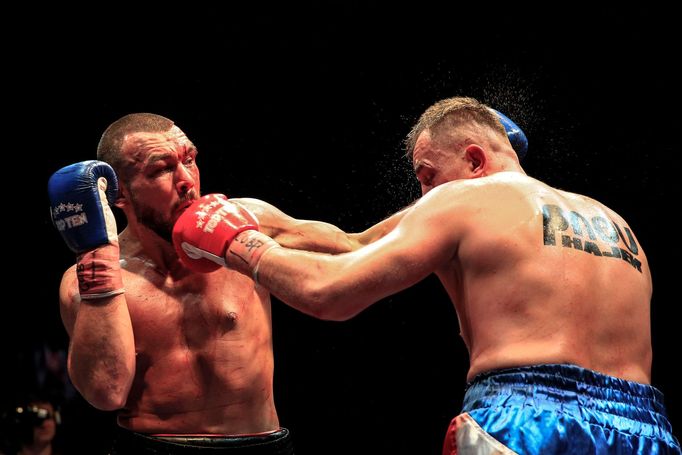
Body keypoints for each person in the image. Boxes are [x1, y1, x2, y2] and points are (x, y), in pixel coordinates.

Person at [173, 97, 681, 454]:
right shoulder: (616, 223)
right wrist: (264, 217)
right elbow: (355, 241)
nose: (424, 197)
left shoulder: (465, 199)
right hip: (648, 429)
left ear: (475, 160)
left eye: (427, 177)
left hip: (523, 415)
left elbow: (329, 291)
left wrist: (237, 241)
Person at [47, 113, 404, 454]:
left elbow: (355, 245)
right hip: (149, 446)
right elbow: (106, 392)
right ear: (118, 194)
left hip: (260, 444)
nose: (186, 179)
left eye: (190, 159)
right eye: (162, 169)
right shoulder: (89, 276)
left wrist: (452, 197)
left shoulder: (247, 221)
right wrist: (97, 258)